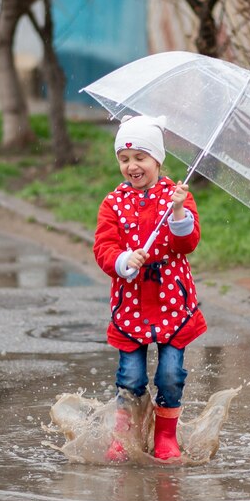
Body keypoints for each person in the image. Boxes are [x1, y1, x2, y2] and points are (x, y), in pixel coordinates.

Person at [93, 114, 207, 462]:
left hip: (172, 299)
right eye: (124, 159)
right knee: (131, 374)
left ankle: (165, 436)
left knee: (171, 373)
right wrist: (123, 260)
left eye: (140, 157)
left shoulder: (178, 197)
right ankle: (126, 434)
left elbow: (188, 244)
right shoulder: (112, 203)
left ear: (158, 159)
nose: (132, 166)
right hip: (132, 302)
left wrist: (176, 213)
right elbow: (103, 247)